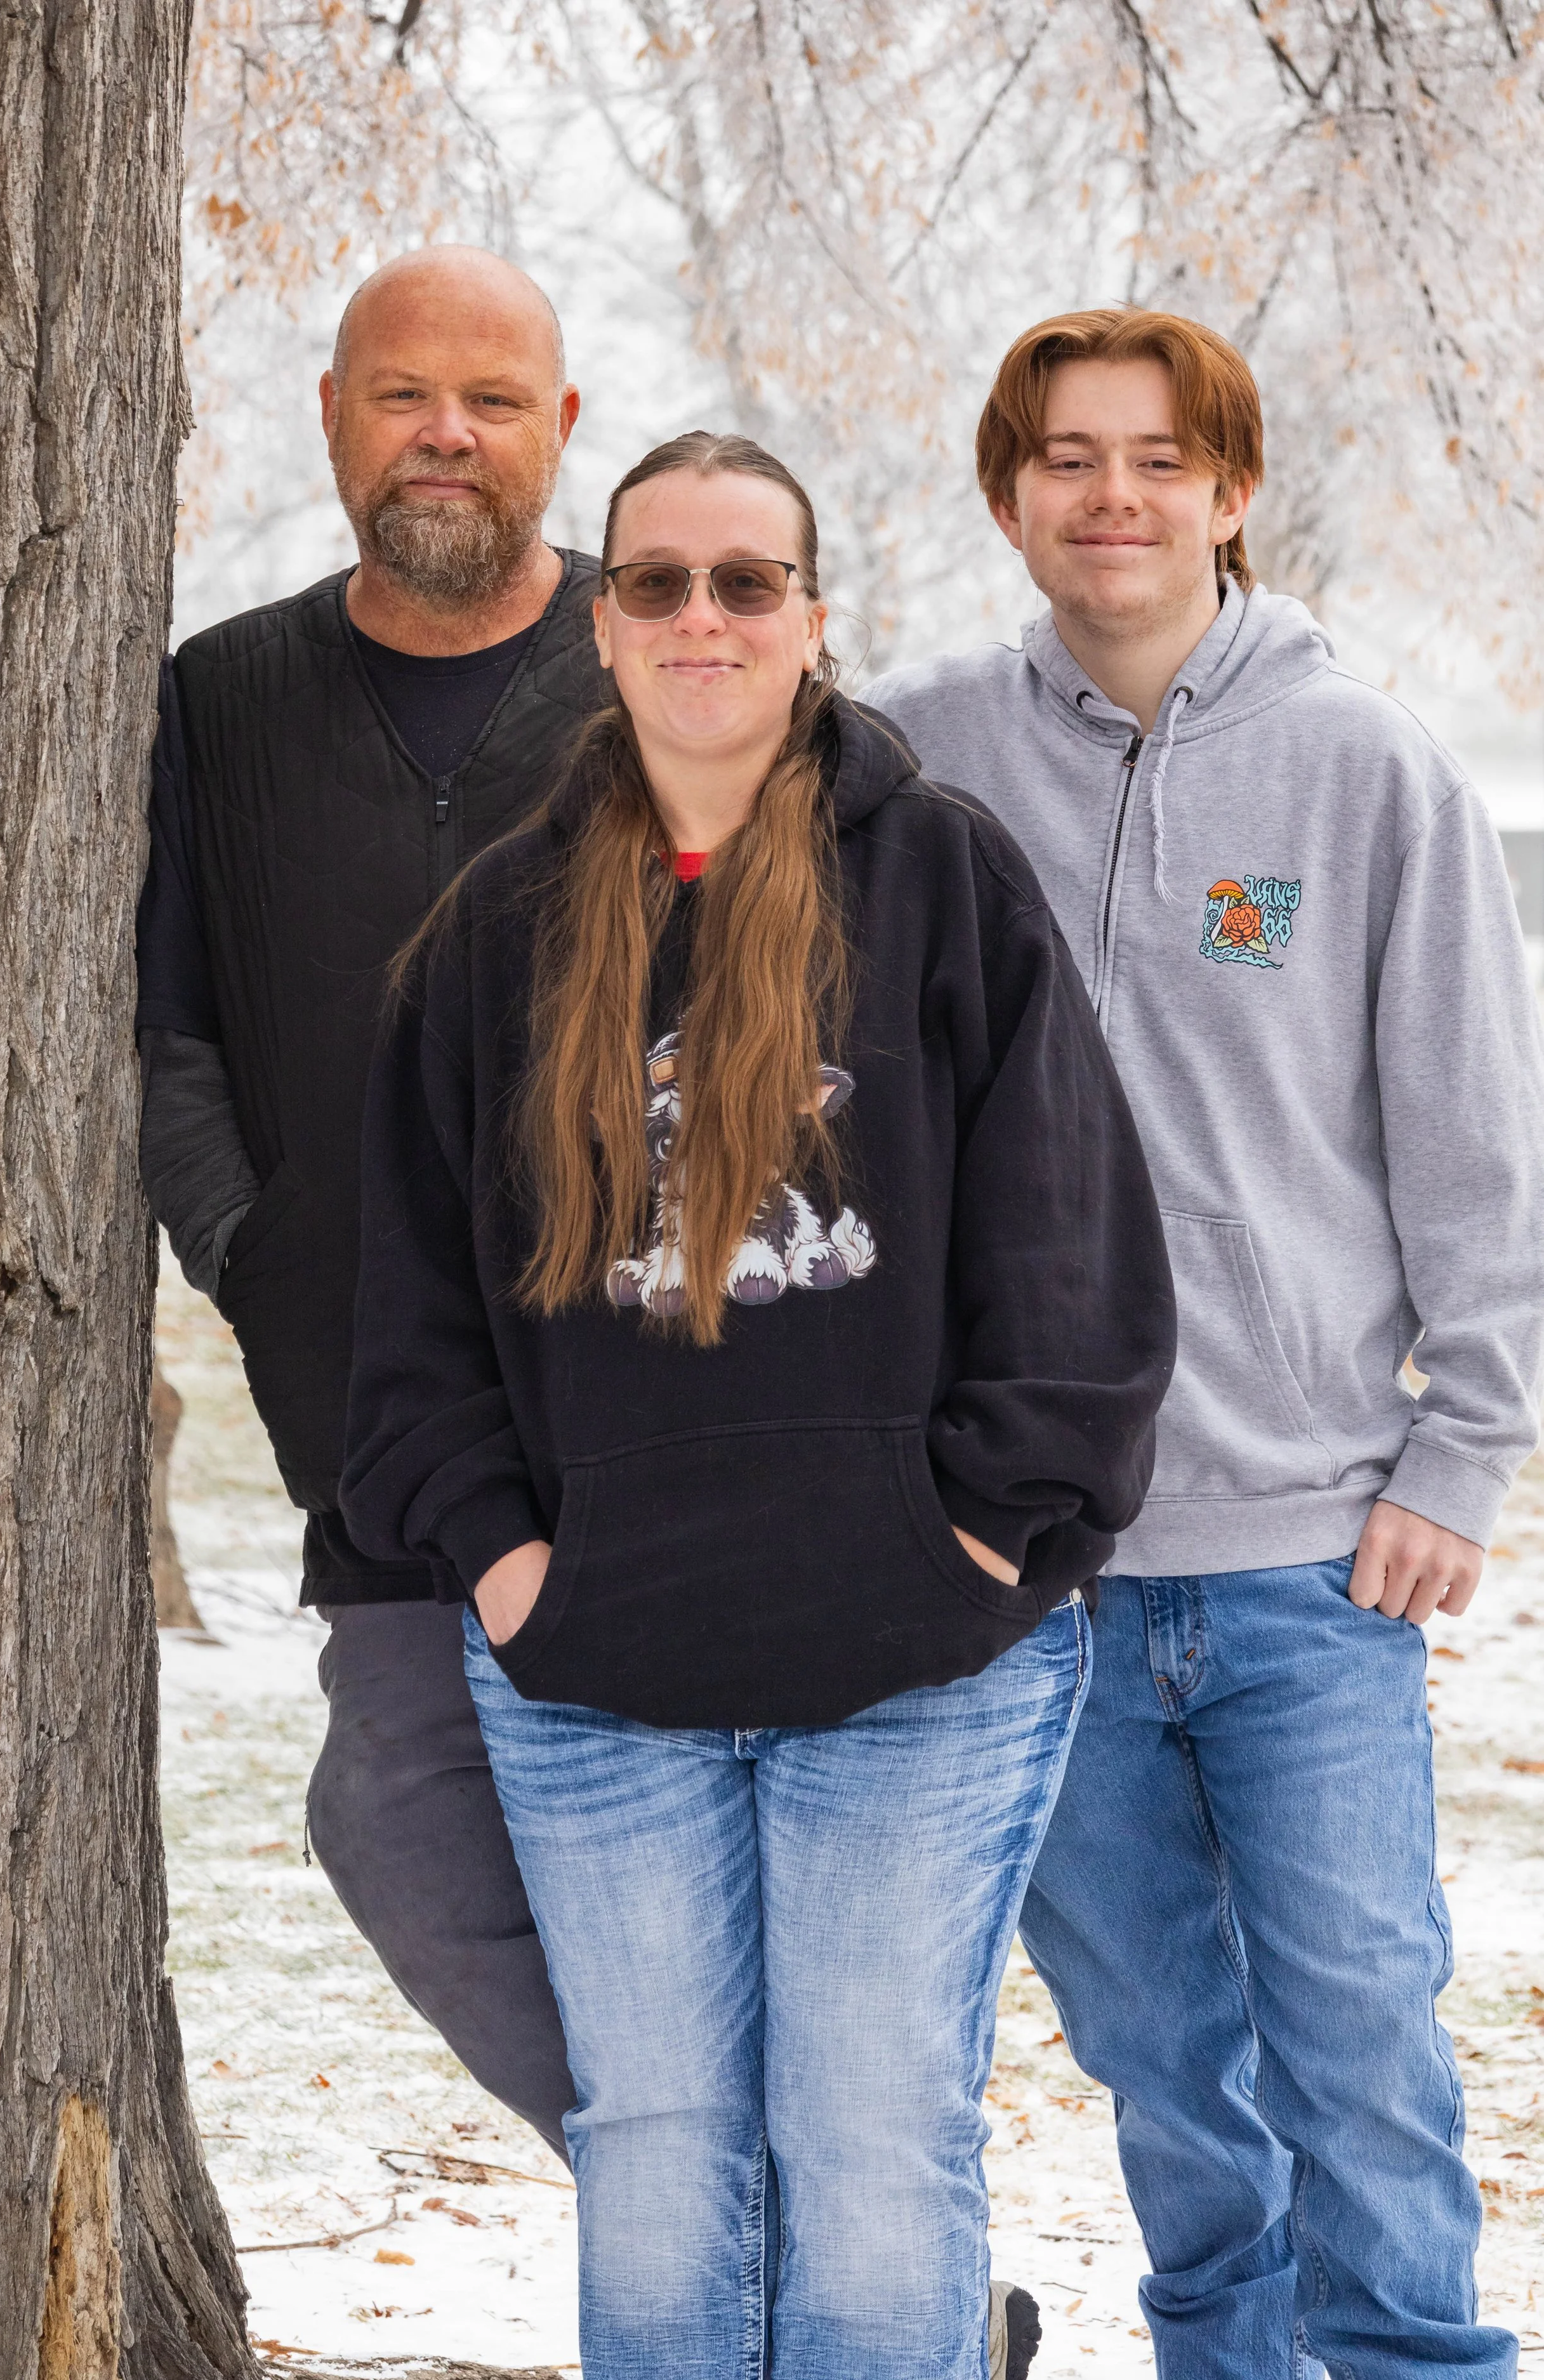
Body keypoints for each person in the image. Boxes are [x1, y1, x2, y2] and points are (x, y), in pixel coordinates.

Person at [341, 430, 1175, 2379]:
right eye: (656, 581)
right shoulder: (497, 931)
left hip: (917, 1667)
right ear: (602, 623)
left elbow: (1072, 1255)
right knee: (654, 2156)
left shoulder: (943, 875)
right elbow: (413, 1322)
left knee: (875, 2148)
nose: (700, 616)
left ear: (810, 621)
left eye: (745, 580)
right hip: (599, 1672)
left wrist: (969, 1535)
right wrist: (516, 1563)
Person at [868, 307, 1544, 2379]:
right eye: (1066, 458)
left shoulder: (1358, 766)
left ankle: (1417, 2363)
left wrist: (1463, 1448)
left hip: (1302, 1551)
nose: (1112, 496)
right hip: (1032, 1571)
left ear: (1229, 495)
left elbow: (1470, 1127)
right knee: (1161, 2053)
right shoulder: (914, 757)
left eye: (1157, 457)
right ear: (1008, 500)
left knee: (1356, 2034)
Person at [136, 246, 605, 2153]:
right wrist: (257, 1261)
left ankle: (805, 2289)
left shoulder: (660, 667)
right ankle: (766, 2258)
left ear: (560, 432)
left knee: (664, 1885)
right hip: (375, 1423)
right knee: (397, 1817)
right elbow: (170, 1043)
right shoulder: (221, 699)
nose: (444, 435)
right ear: (330, 417)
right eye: (403, 393)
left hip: (652, 1421)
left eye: (491, 400)